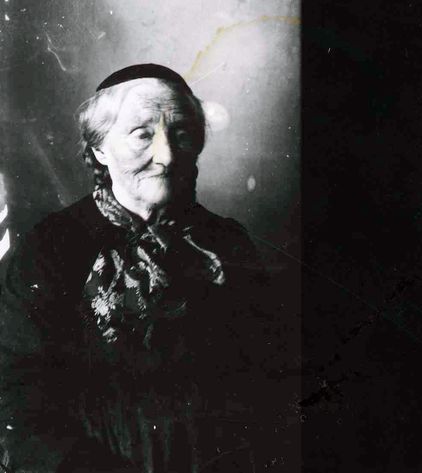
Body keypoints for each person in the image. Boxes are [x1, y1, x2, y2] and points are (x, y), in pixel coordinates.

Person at [0, 64, 284, 472]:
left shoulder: (226, 243)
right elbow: (16, 396)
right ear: (100, 149)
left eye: (181, 133)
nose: (166, 156)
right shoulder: (51, 248)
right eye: (142, 134)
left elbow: (267, 379)